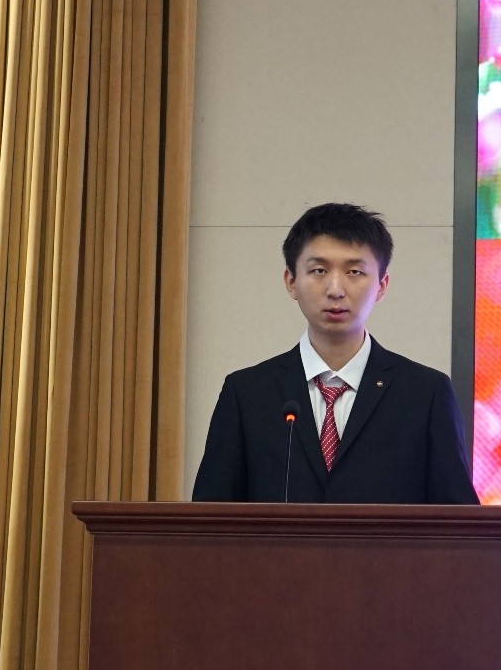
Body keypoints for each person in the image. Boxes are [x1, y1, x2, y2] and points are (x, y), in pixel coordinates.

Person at [191, 203, 480, 504]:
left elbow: (457, 520)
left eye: (354, 272)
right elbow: (210, 517)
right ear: (291, 282)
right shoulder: (247, 393)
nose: (335, 289)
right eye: (319, 270)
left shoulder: (425, 393)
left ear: (382, 286)